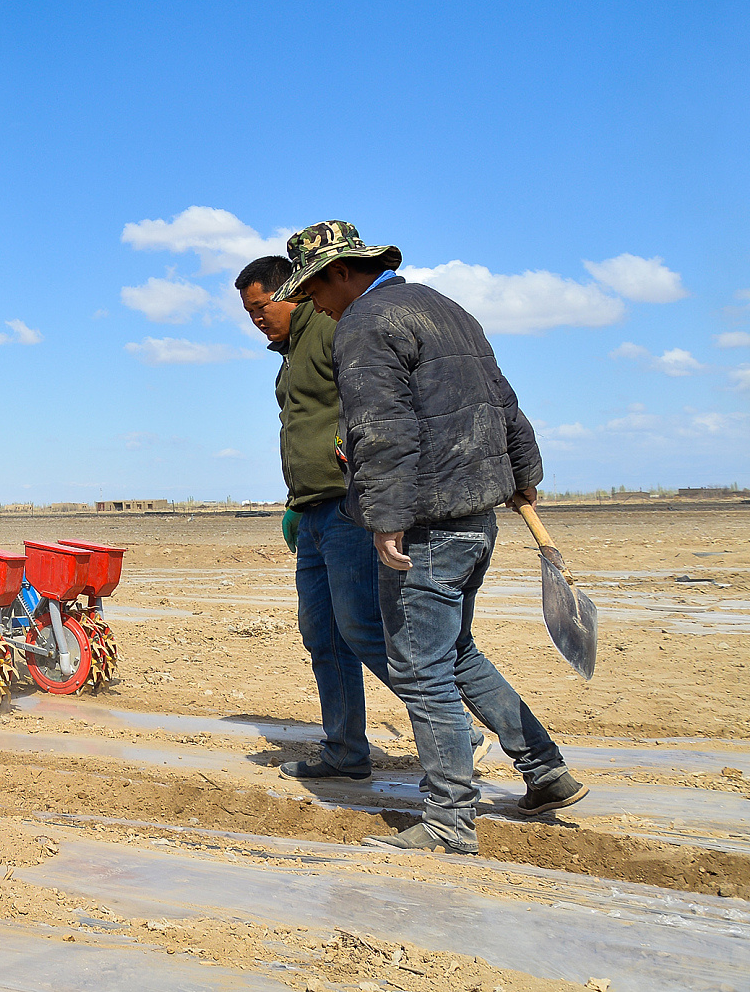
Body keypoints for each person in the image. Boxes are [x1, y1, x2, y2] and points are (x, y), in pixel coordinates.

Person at [275, 220, 588, 854]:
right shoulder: (448, 310)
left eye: (315, 291)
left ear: (341, 273)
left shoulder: (366, 324)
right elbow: (505, 401)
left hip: (428, 520)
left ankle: (449, 820)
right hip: (477, 518)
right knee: (456, 653)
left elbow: (380, 427)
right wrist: (524, 473)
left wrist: (387, 518)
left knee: (419, 670)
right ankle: (545, 771)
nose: (316, 306)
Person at [236, 253, 404, 783]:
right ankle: (346, 750)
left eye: (262, 307)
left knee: (362, 628)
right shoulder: (290, 353)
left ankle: (447, 728)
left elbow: (373, 401)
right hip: (310, 510)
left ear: (291, 293)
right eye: (249, 312)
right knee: (322, 634)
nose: (256, 319)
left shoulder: (333, 330)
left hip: (347, 506)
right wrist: (294, 501)